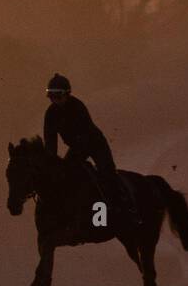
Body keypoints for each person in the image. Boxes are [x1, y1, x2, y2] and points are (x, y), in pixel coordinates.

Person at [43, 73, 140, 225]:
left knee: (107, 173)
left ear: (67, 94)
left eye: (58, 96)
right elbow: (50, 143)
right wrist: (52, 163)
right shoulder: (50, 114)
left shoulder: (77, 107)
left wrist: (75, 159)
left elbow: (86, 137)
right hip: (77, 147)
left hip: (95, 144)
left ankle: (127, 209)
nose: (55, 100)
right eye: (51, 96)